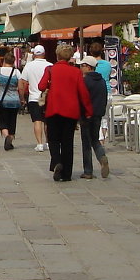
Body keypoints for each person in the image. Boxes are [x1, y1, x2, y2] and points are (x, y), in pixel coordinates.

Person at [37, 44, 91, 181]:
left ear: (57, 55)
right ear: (70, 57)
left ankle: (57, 161)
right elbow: (83, 93)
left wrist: (50, 84)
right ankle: (67, 174)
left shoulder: (50, 69)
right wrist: (88, 110)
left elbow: (41, 86)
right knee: (67, 141)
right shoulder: (76, 72)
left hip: (53, 108)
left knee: (53, 139)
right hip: (71, 110)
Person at [78, 56, 110, 179]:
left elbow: (82, 98)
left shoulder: (85, 81)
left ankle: (88, 171)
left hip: (86, 115)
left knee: (86, 143)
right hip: (98, 114)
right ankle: (102, 157)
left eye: (82, 65)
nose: (80, 68)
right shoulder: (101, 81)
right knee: (95, 139)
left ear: (88, 67)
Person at [19, 45, 52, 152]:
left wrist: (22, 97)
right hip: (47, 97)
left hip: (33, 97)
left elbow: (23, 82)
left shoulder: (29, 66)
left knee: (37, 121)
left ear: (34, 54)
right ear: (44, 53)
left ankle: (39, 144)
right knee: (47, 121)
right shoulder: (50, 65)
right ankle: (48, 142)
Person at [0, 58, 23, 151]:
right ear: (13, 62)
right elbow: (21, 87)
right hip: (14, 100)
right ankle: (11, 139)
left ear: (4, 61)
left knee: (1, 121)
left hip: (1, 100)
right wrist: (22, 98)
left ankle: (6, 136)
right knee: (12, 121)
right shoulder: (17, 72)